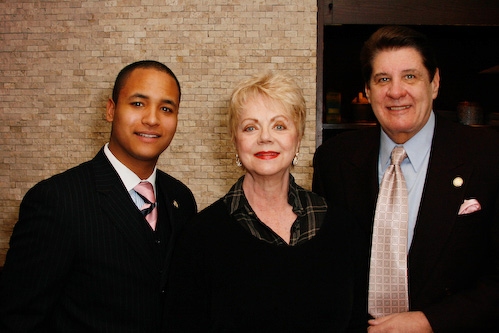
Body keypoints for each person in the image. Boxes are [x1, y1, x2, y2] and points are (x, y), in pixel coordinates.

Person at [313, 25, 499, 332]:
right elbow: (325, 268)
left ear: (435, 82)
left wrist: (431, 322)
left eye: (410, 76)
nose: (396, 91)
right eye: (383, 79)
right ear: (369, 90)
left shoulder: (488, 156)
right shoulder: (334, 160)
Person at [0, 60, 197, 332]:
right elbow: (18, 318)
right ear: (111, 109)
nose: (152, 119)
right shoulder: (57, 200)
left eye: (166, 108)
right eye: (138, 104)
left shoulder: (181, 199)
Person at [165, 71, 366, 332]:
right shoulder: (200, 236)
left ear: (298, 140)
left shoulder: (343, 228)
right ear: (235, 143)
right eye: (250, 127)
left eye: (279, 126)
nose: (265, 137)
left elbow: (358, 324)